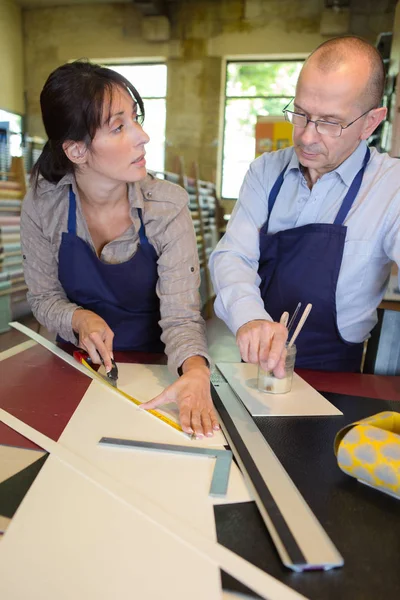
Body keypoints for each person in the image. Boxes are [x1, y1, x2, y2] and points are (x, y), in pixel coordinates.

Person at [21, 60, 219, 438]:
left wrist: (195, 371)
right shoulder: (43, 204)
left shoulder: (166, 206)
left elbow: (181, 318)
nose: (142, 136)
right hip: (75, 367)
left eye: (136, 118)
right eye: (119, 126)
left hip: (153, 369)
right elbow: (44, 297)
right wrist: (79, 319)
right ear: (77, 151)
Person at [210, 36, 400, 374]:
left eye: (329, 122)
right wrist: (249, 318)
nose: (307, 136)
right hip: (254, 367)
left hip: (337, 375)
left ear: (371, 123)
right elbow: (233, 255)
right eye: (300, 113)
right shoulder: (266, 172)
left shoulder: (391, 187)